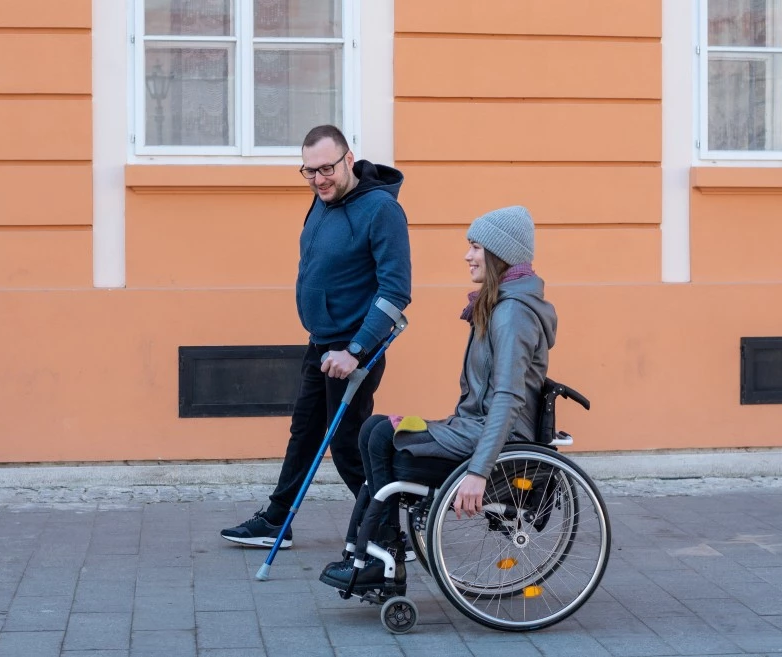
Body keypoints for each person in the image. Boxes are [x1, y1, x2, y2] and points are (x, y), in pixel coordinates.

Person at [319, 205, 557, 594]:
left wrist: (478, 472)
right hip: (471, 428)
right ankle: (375, 555)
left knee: (381, 438)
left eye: (476, 247)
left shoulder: (513, 314)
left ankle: (381, 561)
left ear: (500, 254)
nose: (468, 255)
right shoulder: (499, 306)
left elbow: (508, 397)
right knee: (374, 429)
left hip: (494, 444)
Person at [221, 125, 412, 548]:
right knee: (305, 431)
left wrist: (356, 351)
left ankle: (391, 535)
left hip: (352, 349)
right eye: (308, 171)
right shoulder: (322, 197)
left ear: (349, 159)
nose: (318, 179)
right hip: (321, 341)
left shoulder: (381, 210)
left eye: (326, 168)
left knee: (348, 446)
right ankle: (276, 520)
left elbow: (396, 291)